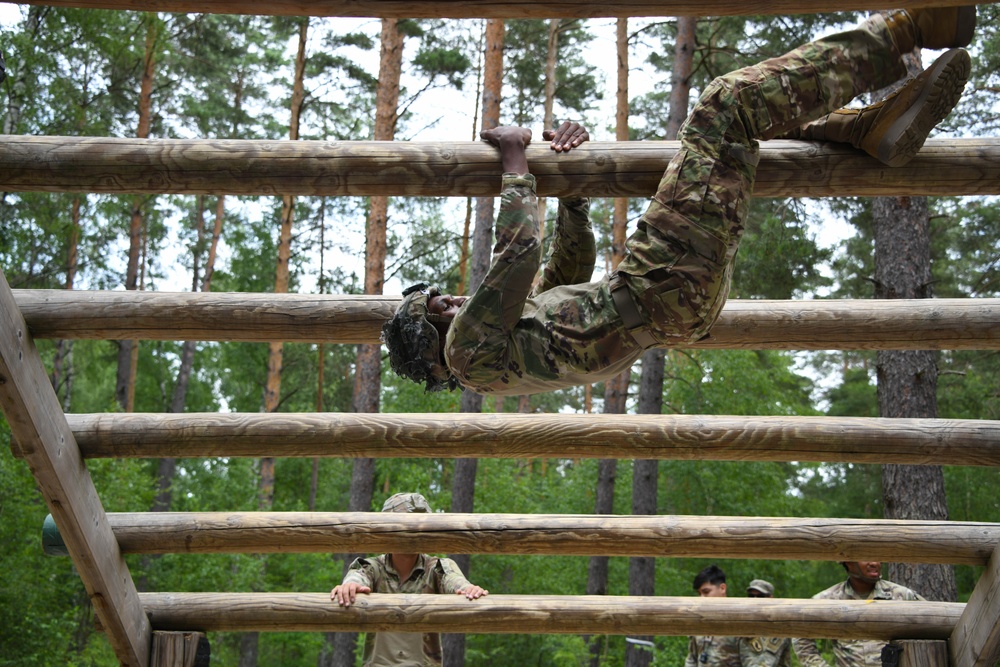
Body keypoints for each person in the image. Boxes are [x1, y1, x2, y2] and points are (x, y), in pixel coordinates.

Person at [381, 7, 975, 396]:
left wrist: (572, 189)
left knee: (739, 136)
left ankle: (862, 130)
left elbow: (565, 272)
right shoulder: (465, 352)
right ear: (431, 340)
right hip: (655, 284)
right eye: (439, 305)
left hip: (672, 301)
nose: (454, 297)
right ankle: (908, 31)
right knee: (725, 106)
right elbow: (517, 258)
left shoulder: (499, 359)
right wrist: (515, 164)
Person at [330, 492, 489, 666]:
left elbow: (452, 579)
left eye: (421, 527)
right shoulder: (374, 567)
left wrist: (467, 589)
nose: (415, 533)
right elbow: (358, 575)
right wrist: (350, 586)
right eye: (408, 525)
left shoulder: (435, 568)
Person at [792, 562, 925, 667]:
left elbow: (934, 625)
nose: (874, 563)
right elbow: (800, 635)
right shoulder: (829, 599)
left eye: (877, 557)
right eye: (866, 557)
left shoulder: (902, 595)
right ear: (848, 562)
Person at [684, 565, 741, 667]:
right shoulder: (699, 621)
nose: (702, 598)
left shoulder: (740, 619)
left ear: (722, 588)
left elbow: (753, 661)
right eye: (699, 593)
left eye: (706, 592)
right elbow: (691, 659)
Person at [739, 579, 793, 667]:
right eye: (751, 596)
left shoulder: (777, 628)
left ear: (771, 598)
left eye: (760, 596)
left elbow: (764, 663)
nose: (755, 600)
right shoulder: (744, 622)